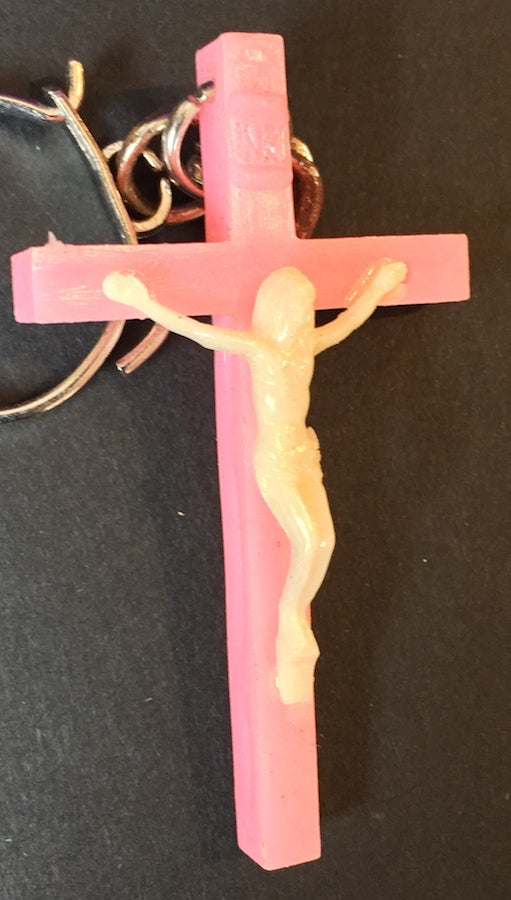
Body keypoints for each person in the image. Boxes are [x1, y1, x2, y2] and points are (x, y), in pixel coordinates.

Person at [103, 260, 407, 704]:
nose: (303, 317)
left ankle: (291, 621)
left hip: (306, 453)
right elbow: (198, 332)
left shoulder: (307, 345)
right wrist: (142, 301)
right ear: (277, 309)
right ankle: (291, 620)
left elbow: (349, 321)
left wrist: (378, 285)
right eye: (296, 308)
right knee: (309, 542)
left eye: (306, 308)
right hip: (277, 460)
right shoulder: (259, 348)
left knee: (325, 541)